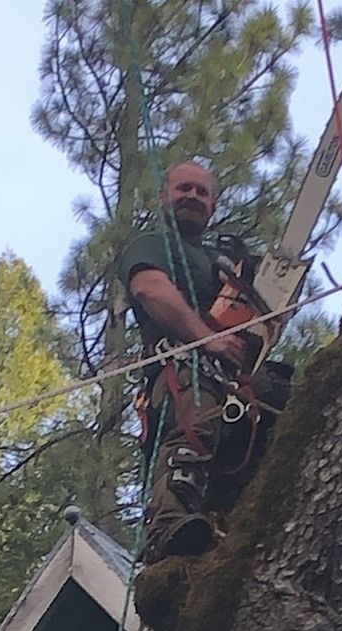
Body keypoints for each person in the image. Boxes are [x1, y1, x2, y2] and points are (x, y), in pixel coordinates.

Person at [117, 160, 289, 563]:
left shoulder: (227, 261)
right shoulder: (154, 245)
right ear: (165, 196)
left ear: (214, 205)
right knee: (198, 409)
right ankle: (168, 524)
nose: (192, 197)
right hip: (183, 368)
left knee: (295, 410)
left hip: (242, 379)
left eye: (201, 192)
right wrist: (207, 338)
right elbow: (149, 289)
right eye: (183, 189)